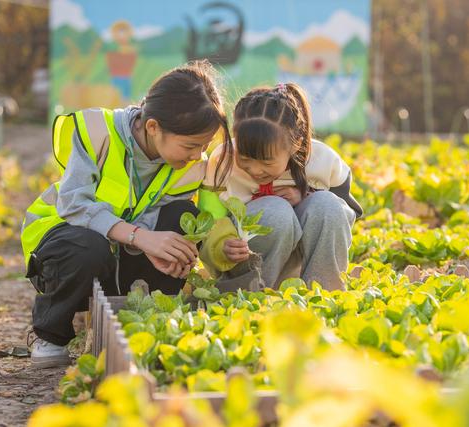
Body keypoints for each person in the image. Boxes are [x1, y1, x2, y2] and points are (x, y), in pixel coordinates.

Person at [21, 61, 233, 367]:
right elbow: (73, 205)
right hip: (66, 248)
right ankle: (50, 333)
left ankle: (149, 317)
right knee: (88, 247)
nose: (197, 156)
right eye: (191, 145)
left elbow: (158, 220)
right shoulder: (98, 132)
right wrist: (141, 237)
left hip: (120, 255)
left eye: (203, 146)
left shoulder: (187, 167)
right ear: (152, 127)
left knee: (182, 217)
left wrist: (154, 246)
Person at [199, 83, 362, 292]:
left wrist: (307, 196)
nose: (256, 170)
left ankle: (323, 291)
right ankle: (250, 293)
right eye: (245, 158)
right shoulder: (222, 162)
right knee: (276, 211)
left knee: (327, 205)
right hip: (241, 261)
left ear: (296, 144)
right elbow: (208, 218)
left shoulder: (323, 162)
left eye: (267, 162)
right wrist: (222, 244)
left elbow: (346, 213)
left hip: (299, 263)